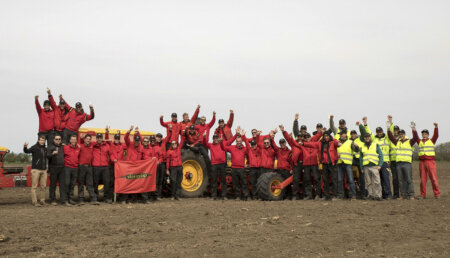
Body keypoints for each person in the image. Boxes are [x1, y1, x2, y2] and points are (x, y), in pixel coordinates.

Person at [282, 125, 321, 200]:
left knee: (315, 179)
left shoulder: (313, 143)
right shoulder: (300, 145)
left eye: (304, 137)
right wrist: (285, 132)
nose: (304, 138)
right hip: (300, 164)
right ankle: (298, 195)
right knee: (301, 180)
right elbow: (291, 141)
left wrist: (321, 132)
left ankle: (315, 195)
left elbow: (316, 137)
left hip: (311, 164)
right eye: (299, 136)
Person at [302, 130, 339, 200]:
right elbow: (311, 144)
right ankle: (326, 196)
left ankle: (335, 195)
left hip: (332, 164)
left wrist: (336, 141)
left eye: (327, 136)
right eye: (325, 136)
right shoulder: (320, 143)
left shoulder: (333, 142)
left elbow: (337, 143)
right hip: (324, 164)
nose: (326, 137)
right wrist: (303, 144)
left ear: (329, 136)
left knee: (334, 180)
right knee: (325, 180)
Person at [387, 122, 419, 200]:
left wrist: (413, 129)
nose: (401, 135)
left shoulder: (409, 142)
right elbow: (391, 137)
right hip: (399, 164)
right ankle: (403, 195)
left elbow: (415, 137)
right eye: (400, 134)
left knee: (408, 179)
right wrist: (388, 128)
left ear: (404, 134)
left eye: (402, 134)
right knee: (401, 180)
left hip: (407, 164)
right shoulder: (397, 142)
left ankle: (411, 195)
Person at [123, 126, 148, 203]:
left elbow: (144, 157)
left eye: (138, 141)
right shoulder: (129, 144)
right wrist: (129, 130)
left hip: (138, 168)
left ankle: (134, 199)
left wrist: (149, 161)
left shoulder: (141, 147)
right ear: (134, 140)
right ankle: (125, 199)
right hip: (129, 167)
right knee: (128, 183)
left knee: (137, 183)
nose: (137, 142)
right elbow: (125, 138)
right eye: (135, 140)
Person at [223, 128, 249, 200]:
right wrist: (235, 135)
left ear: (242, 142)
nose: (239, 142)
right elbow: (224, 147)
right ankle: (238, 196)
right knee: (236, 183)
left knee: (244, 183)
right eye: (237, 141)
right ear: (236, 142)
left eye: (240, 141)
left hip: (241, 169)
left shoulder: (244, 149)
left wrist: (244, 136)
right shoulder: (232, 148)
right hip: (234, 169)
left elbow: (249, 148)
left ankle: (246, 196)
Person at [417, 123, 440, 199]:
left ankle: (437, 194)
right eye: (423, 134)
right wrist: (413, 129)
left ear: (428, 135)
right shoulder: (419, 141)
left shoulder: (432, 140)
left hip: (430, 161)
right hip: (422, 162)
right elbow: (415, 136)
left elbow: (436, 135)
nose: (424, 135)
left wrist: (436, 127)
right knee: (423, 180)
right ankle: (423, 195)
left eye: (426, 134)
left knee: (433, 178)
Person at [24, 136, 48, 206]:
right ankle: (35, 202)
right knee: (34, 186)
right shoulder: (34, 147)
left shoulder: (45, 149)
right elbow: (27, 151)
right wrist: (25, 147)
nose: (42, 141)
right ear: (38, 140)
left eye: (43, 140)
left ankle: (42, 201)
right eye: (41, 140)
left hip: (44, 170)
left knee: (43, 186)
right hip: (36, 170)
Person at [359, 133, 384, 201]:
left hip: (374, 166)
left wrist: (380, 165)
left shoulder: (375, 145)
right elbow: (361, 158)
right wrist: (361, 168)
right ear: (364, 138)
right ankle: (371, 195)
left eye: (368, 137)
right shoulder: (362, 147)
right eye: (366, 137)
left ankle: (378, 196)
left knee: (377, 182)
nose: (367, 138)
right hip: (366, 167)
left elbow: (381, 156)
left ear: (370, 137)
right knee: (368, 182)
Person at [336, 131, 359, 200]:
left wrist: (357, 147)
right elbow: (334, 151)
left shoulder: (350, 142)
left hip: (348, 163)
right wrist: (336, 155)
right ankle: (340, 195)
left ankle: (353, 195)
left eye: (342, 134)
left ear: (345, 134)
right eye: (340, 134)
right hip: (340, 163)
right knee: (340, 180)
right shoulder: (337, 143)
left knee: (351, 180)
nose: (340, 135)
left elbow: (356, 150)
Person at [203, 133, 227, 200]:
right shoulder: (211, 145)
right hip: (214, 164)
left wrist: (237, 134)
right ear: (213, 139)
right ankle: (213, 196)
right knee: (214, 181)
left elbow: (230, 141)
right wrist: (204, 137)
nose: (215, 139)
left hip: (222, 164)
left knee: (223, 180)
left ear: (219, 138)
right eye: (214, 138)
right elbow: (205, 143)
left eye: (217, 138)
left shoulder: (222, 144)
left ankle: (224, 196)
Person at [270, 129, 293, 199]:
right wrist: (272, 137)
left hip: (286, 170)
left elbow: (291, 161)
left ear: (285, 143)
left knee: (288, 184)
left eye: (283, 143)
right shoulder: (278, 150)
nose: (282, 144)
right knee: (280, 183)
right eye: (281, 143)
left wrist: (291, 169)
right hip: (279, 170)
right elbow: (273, 145)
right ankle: (283, 196)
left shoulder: (289, 151)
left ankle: (289, 196)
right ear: (279, 143)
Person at [106, 128, 127, 202]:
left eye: (118, 138)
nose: (117, 139)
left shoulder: (123, 145)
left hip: (120, 166)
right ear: (114, 139)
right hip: (113, 165)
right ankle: (110, 197)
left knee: (121, 181)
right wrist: (106, 132)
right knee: (111, 182)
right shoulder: (111, 145)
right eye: (116, 138)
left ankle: (120, 197)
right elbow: (111, 154)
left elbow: (129, 143)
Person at [92, 133, 112, 204]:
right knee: (95, 182)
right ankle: (95, 198)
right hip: (96, 166)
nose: (99, 139)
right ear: (96, 138)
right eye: (98, 137)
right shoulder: (93, 145)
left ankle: (106, 198)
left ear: (102, 138)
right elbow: (85, 143)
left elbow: (111, 154)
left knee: (107, 182)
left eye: (100, 137)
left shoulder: (107, 145)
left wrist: (114, 161)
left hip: (105, 167)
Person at [78, 134, 97, 205]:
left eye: (89, 139)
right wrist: (80, 138)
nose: (88, 140)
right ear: (84, 139)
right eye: (87, 139)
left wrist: (108, 140)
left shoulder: (92, 145)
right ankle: (80, 199)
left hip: (89, 167)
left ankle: (93, 199)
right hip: (81, 167)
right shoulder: (80, 146)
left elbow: (100, 141)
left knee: (90, 183)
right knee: (81, 183)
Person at [47, 134, 65, 205]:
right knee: (53, 185)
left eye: (59, 139)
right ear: (54, 140)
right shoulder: (50, 147)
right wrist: (52, 154)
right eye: (57, 139)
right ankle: (52, 200)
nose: (58, 140)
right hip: (53, 168)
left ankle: (63, 200)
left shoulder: (62, 147)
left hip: (62, 168)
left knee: (62, 185)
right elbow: (47, 156)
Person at [242, 134, 261, 200]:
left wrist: (258, 135)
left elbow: (259, 142)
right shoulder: (249, 150)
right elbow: (246, 143)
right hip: (252, 169)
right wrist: (243, 135)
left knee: (259, 183)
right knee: (253, 183)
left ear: (256, 144)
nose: (253, 146)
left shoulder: (259, 150)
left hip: (259, 168)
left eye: (254, 144)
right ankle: (254, 196)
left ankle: (259, 196)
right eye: (252, 145)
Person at [63, 135, 81, 206]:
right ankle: (65, 200)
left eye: (74, 140)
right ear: (70, 141)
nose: (73, 141)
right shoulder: (65, 148)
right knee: (67, 184)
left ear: (76, 141)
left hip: (75, 168)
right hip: (67, 168)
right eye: (72, 140)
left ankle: (70, 199)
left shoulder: (78, 148)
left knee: (72, 184)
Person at [154, 129, 172, 200]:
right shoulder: (153, 144)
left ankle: (159, 195)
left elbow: (169, 136)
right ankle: (155, 195)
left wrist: (170, 130)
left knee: (161, 180)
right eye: (157, 137)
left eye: (160, 137)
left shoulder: (164, 142)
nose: (158, 138)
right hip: (156, 164)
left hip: (163, 163)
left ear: (161, 138)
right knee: (156, 179)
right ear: (156, 137)